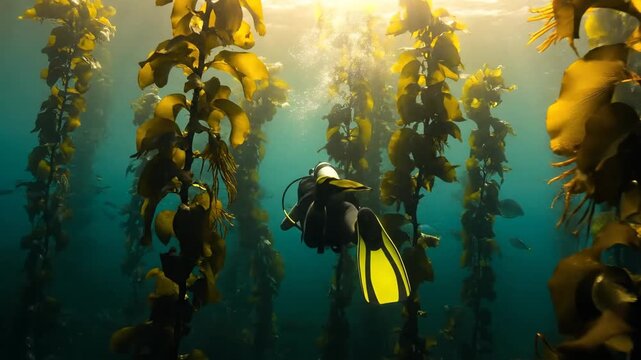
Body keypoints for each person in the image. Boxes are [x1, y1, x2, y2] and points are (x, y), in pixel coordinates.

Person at [281, 162, 411, 305]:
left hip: (316, 213)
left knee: (312, 240)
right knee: (349, 211)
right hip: (342, 205)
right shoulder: (343, 199)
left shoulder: (308, 189)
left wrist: (302, 211)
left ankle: (319, 203)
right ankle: (358, 230)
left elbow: (284, 226)